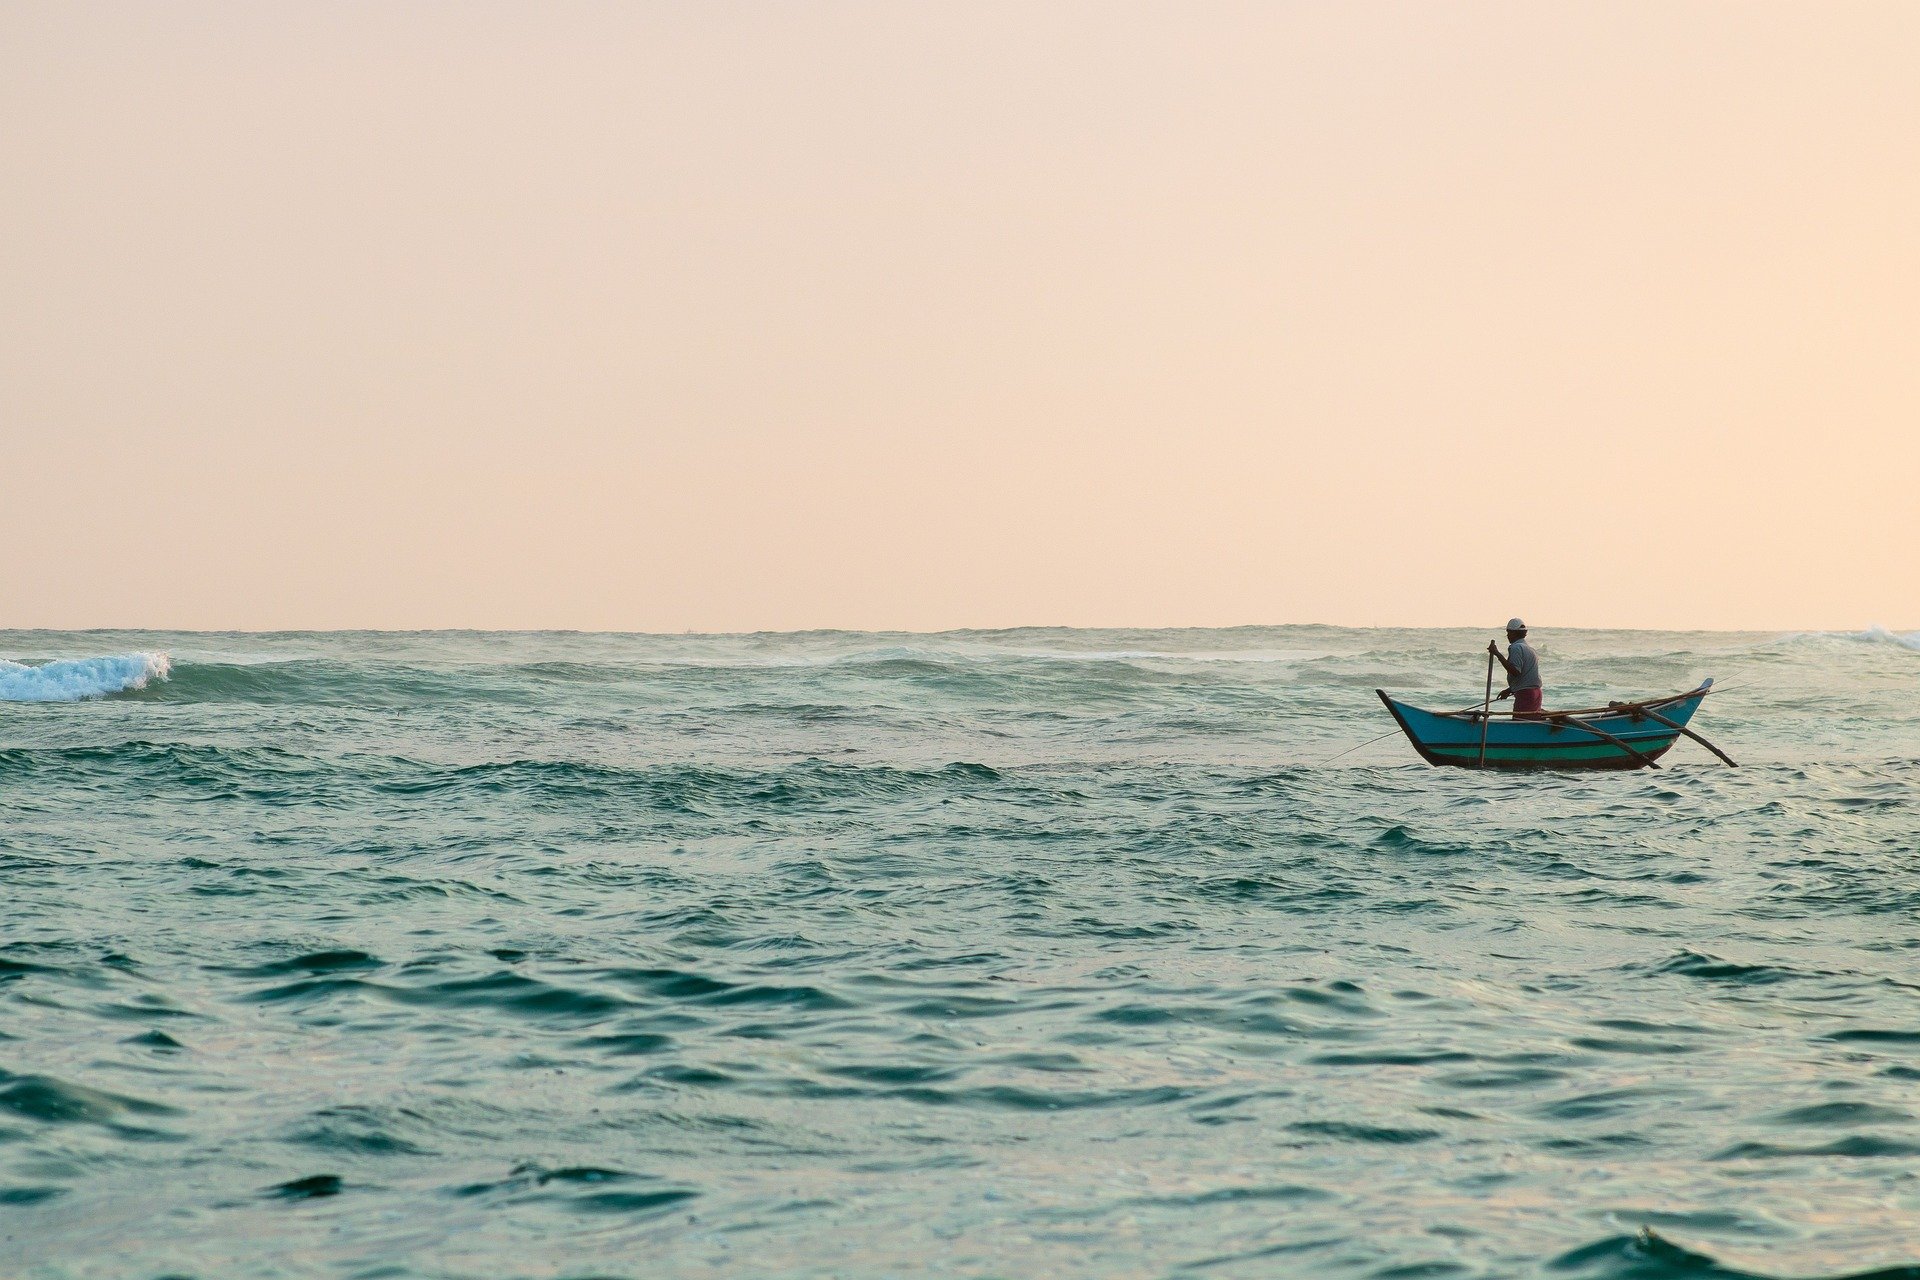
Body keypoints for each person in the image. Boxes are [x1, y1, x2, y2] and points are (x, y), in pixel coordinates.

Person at [1489, 618, 1544, 719]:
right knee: (1531, 721)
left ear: (1514, 633)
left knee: (1520, 721)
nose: (1507, 636)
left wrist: (1497, 654)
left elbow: (1515, 672)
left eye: (1508, 633)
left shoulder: (1516, 647)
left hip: (1526, 694)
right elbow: (1526, 676)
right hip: (1536, 692)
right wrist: (1510, 690)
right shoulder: (1529, 648)